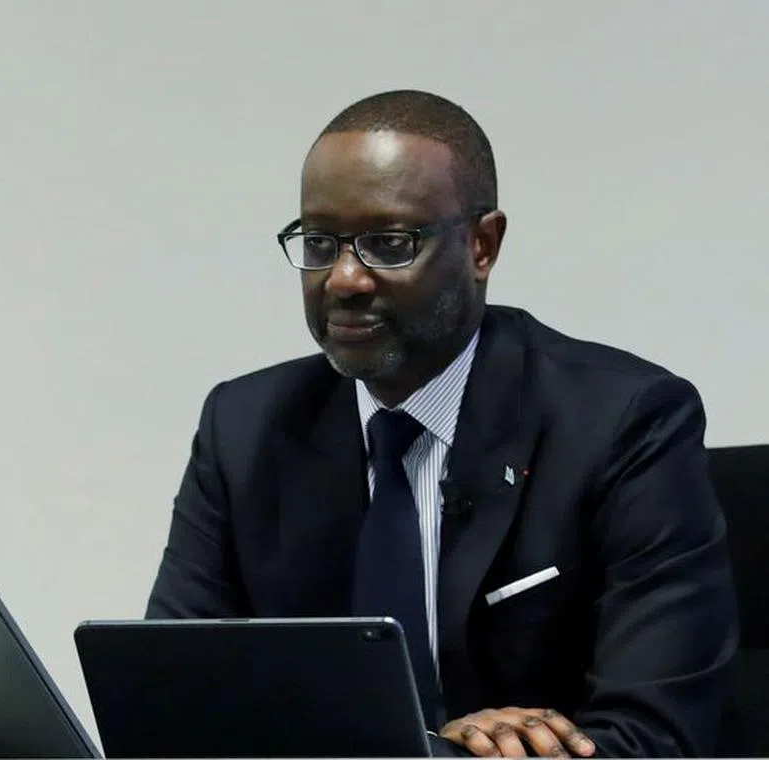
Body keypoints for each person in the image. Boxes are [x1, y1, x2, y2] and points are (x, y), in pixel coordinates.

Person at [144, 89, 740, 758]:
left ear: (482, 246)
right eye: (319, 242)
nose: (343, 279)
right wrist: (438, 750)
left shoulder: (623, 422)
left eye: (388, 244)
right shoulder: (245, 428)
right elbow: (172, 706)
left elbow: (657, 736)